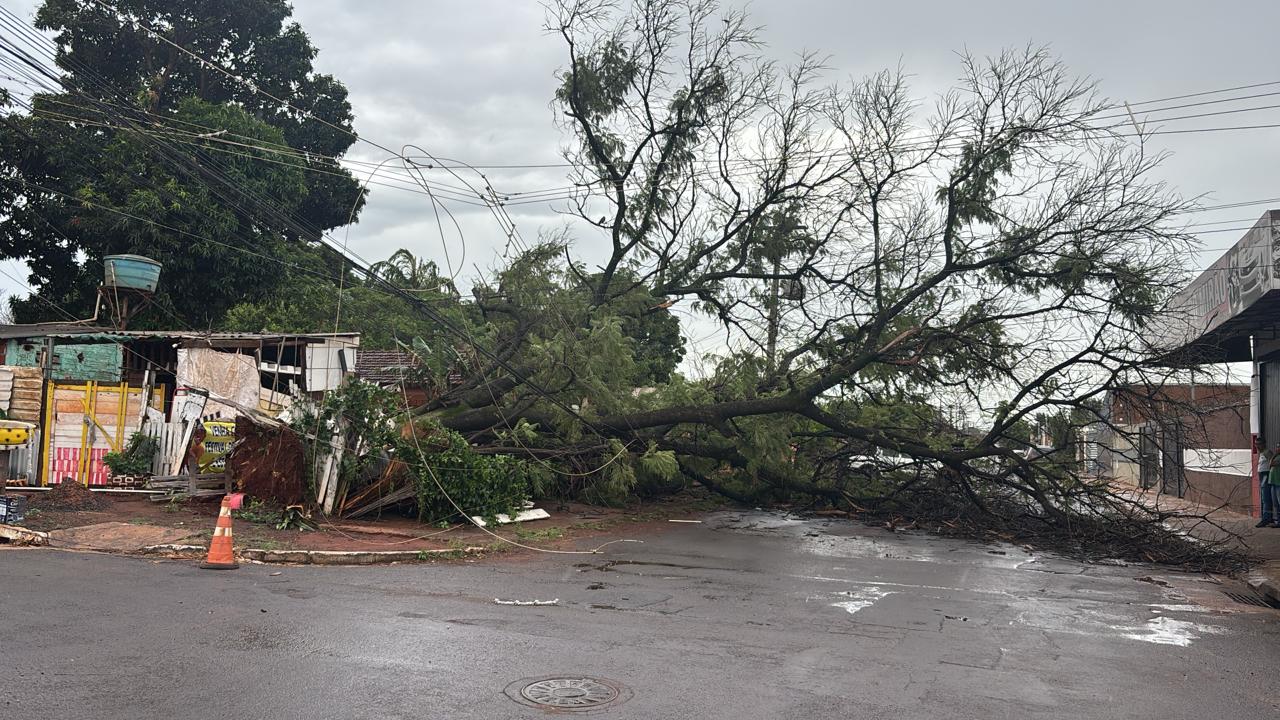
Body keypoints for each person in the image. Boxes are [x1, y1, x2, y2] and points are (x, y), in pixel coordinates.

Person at [1263, 444, 1280, 528]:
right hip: (1273, 482)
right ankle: (1278, 521)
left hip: (1278, 483)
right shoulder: (1276, 456)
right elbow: (1270, 464)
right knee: (1275, 503)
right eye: (1277, 447)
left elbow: (1272, 463)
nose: (1277, 448)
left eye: (1279, 447)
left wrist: (1274, 455)